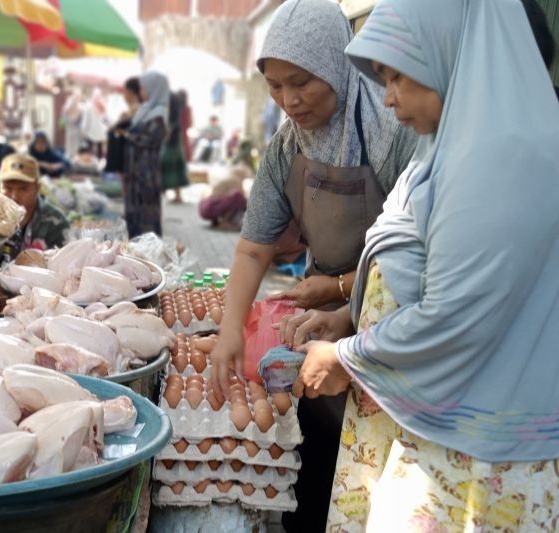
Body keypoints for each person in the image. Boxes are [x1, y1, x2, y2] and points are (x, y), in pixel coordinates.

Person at [278, 0, 559, 529]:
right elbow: (426, 271)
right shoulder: (450, 147)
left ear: (458, 55)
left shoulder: (502, 159)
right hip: (429, 420)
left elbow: (457, 315)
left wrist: (345, 355)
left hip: (474, 451)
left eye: (398, 77)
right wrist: (348, 317)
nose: (388, 98)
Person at [209, 1, 418, 530]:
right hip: (326, 301)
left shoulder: (392, 131)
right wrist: (230, 330)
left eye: (301, 82)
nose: (288, 100)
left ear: (337, 63)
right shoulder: (286, 147)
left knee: (374, 458)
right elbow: (254, 247)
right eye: (275, 86)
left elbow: (416, 254)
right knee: (318, 438)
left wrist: (347, 294)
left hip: (391, 305)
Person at [0, 154, 69, 267]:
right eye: (7, 188)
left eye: (23, 189)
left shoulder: (55, 223)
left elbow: (63, 269)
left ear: (37, 188)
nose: (14, 197)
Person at [122, 71, 169, 238]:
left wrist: (128, 136)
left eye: (143, 88)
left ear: (154, 88)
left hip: (146, 175)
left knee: (146, 217)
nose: (141, 91)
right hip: (135, 174)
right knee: (134, 214)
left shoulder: (159, 114)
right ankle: (134, 252)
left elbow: (149, 139)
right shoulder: (146, 110)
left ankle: (148, 256)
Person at [198, 140, 254, 229]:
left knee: (225, 196)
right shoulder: (236, 180)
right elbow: (244, 198)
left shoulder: (229, 169)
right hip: (210, 208)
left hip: (202, 208)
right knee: (239, 197)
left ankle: (215, 221)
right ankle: (225, 222)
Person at [105, 77, 142, 174]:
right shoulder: (130, 112)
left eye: (124, 91)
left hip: (130, 164)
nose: (123, 96)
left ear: (130, 92)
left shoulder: (136, 112)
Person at [161, 91, 190, 203]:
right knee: (175, 168)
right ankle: (176, 194)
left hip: (171, 144)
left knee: (170, 167)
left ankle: (174, 194)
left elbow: (170, 130)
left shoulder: (172, 114)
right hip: (176, 142)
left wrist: (164, 139)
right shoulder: (178, 110)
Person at [80, 89, 108, 159]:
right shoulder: (89, 107)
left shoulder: (102, 106)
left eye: (99, 96)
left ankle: (99, 162)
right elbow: (86, 120)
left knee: (100, 151)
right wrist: (84, 131)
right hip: (91, 132)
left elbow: (105, 120)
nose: (97, 98)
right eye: (96, 96)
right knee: (90, 150)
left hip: (100, 133)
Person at [61, 89, 84, 159]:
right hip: (73, 130)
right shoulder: (80, 108)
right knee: (71, 148)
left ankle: (71, 160)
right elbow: (64, 119)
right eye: (78, 96)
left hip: (74, 130)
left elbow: (64, 119)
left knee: (72, 148)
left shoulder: (80, 107)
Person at [178, 90, 193, 162]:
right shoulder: (188, 108)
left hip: (175, 133)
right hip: (184, 133)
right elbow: (190, 123)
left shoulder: (174, 107)